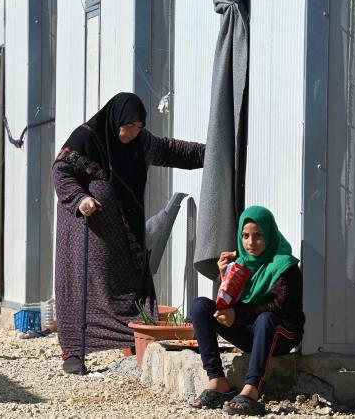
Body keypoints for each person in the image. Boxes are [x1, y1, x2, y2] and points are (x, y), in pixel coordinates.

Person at [52, 92, 205, 374]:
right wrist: (79, 197)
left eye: (139, 127)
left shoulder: (140, 142)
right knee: (85, 286)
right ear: (117, 120)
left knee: (132, 286)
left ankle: (134, 338)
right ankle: (75, 351)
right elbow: (61, 169)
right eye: (130, 126)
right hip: (86, 229)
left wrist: (212, 153)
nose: (134, 133)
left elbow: (173, 150)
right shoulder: (87, 138)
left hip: (126, 232)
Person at [190, 206, 304, 416]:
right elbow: (229, 303)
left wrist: (237, 315)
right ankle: (218, 381)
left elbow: (277, 307)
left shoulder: (285, 266)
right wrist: (225, 278)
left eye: (258, 235)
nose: (251, 242)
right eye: (245, 236)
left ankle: (251, 390)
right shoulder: (240, 264)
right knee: (200, 307)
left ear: (270, 234)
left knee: (265, 318)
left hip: (280, 335)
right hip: (250, 333)